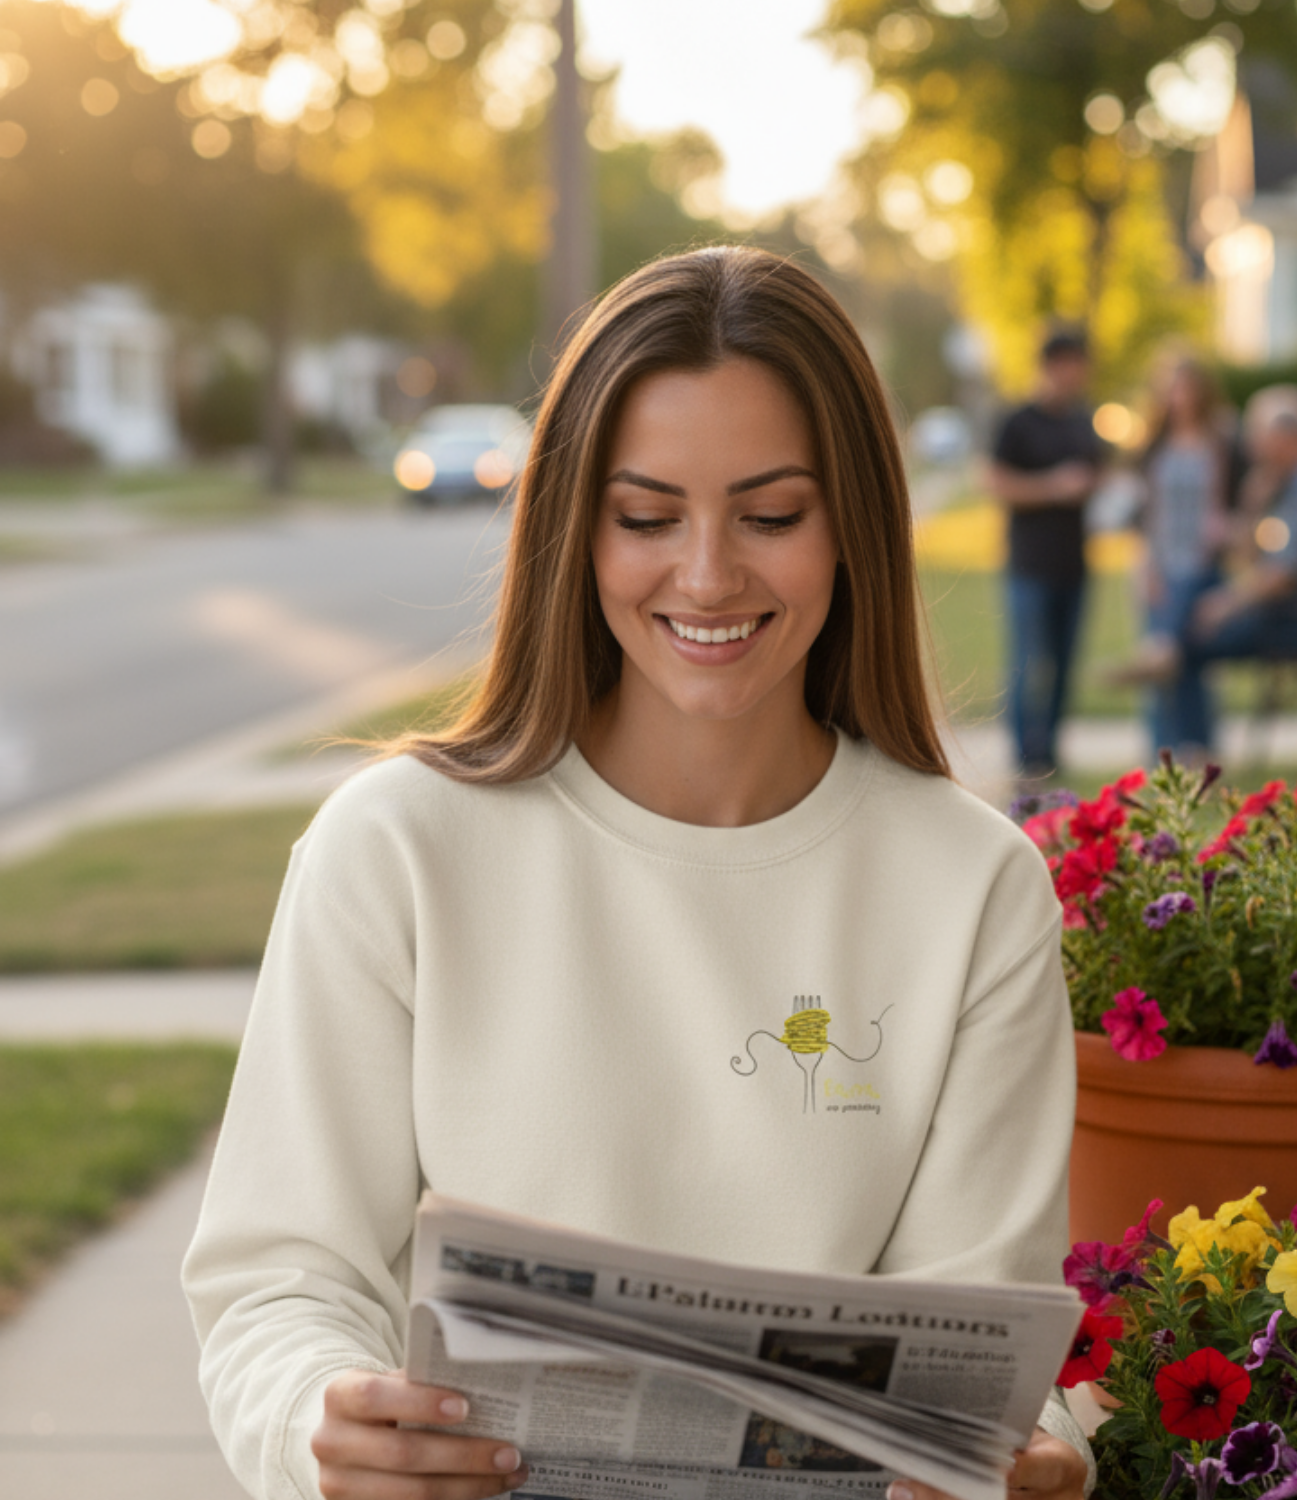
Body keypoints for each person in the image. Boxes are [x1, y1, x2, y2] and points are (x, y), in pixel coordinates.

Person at [181, 248, 1093, 1500]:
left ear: (852, 527)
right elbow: (281, 1279)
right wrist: (315, 1420)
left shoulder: (974, 889)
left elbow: (976, 1335)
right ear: (575, 529)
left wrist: (1025, 1459)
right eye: (647, 517)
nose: (707, 574)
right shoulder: (393, 852)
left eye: (772, 515)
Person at [1142, 383, 1297, 751]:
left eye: (1258, 435)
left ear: (1288, 436)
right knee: (1189, 620)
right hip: (1288, 614)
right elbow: (1249, 558)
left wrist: (1227, 604)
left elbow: (1285, 575)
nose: (1251, 446)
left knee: (1189, 638)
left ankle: (1189, 749)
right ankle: (1186, 738)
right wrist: (1253, 504)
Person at [986, 330, 1105, 779]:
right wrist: (1053, 486)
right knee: (1027, 662)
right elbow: (996, 482)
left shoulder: (1083, 421)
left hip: (1073, 563)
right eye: (1071, 363)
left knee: (1064, 664)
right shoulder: (1018, 422)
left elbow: (1100, 475)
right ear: (1051, 365)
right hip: (1029, 565)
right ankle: (1024, 755)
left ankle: (1050, 753)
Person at [1132, 356, 1239, 757]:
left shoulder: (1221, 442)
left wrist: (1228, 524)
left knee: (1185, 658)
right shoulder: (1154, 445)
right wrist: (1146, 565)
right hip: (1163, 563)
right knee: (1165, 661)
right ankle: (1164, 750)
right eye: (1174, 389)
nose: (1181, 397)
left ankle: (1198, 746)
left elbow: (1243, 499)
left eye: (1188, 388)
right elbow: (1144, 513)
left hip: (1203, 565)